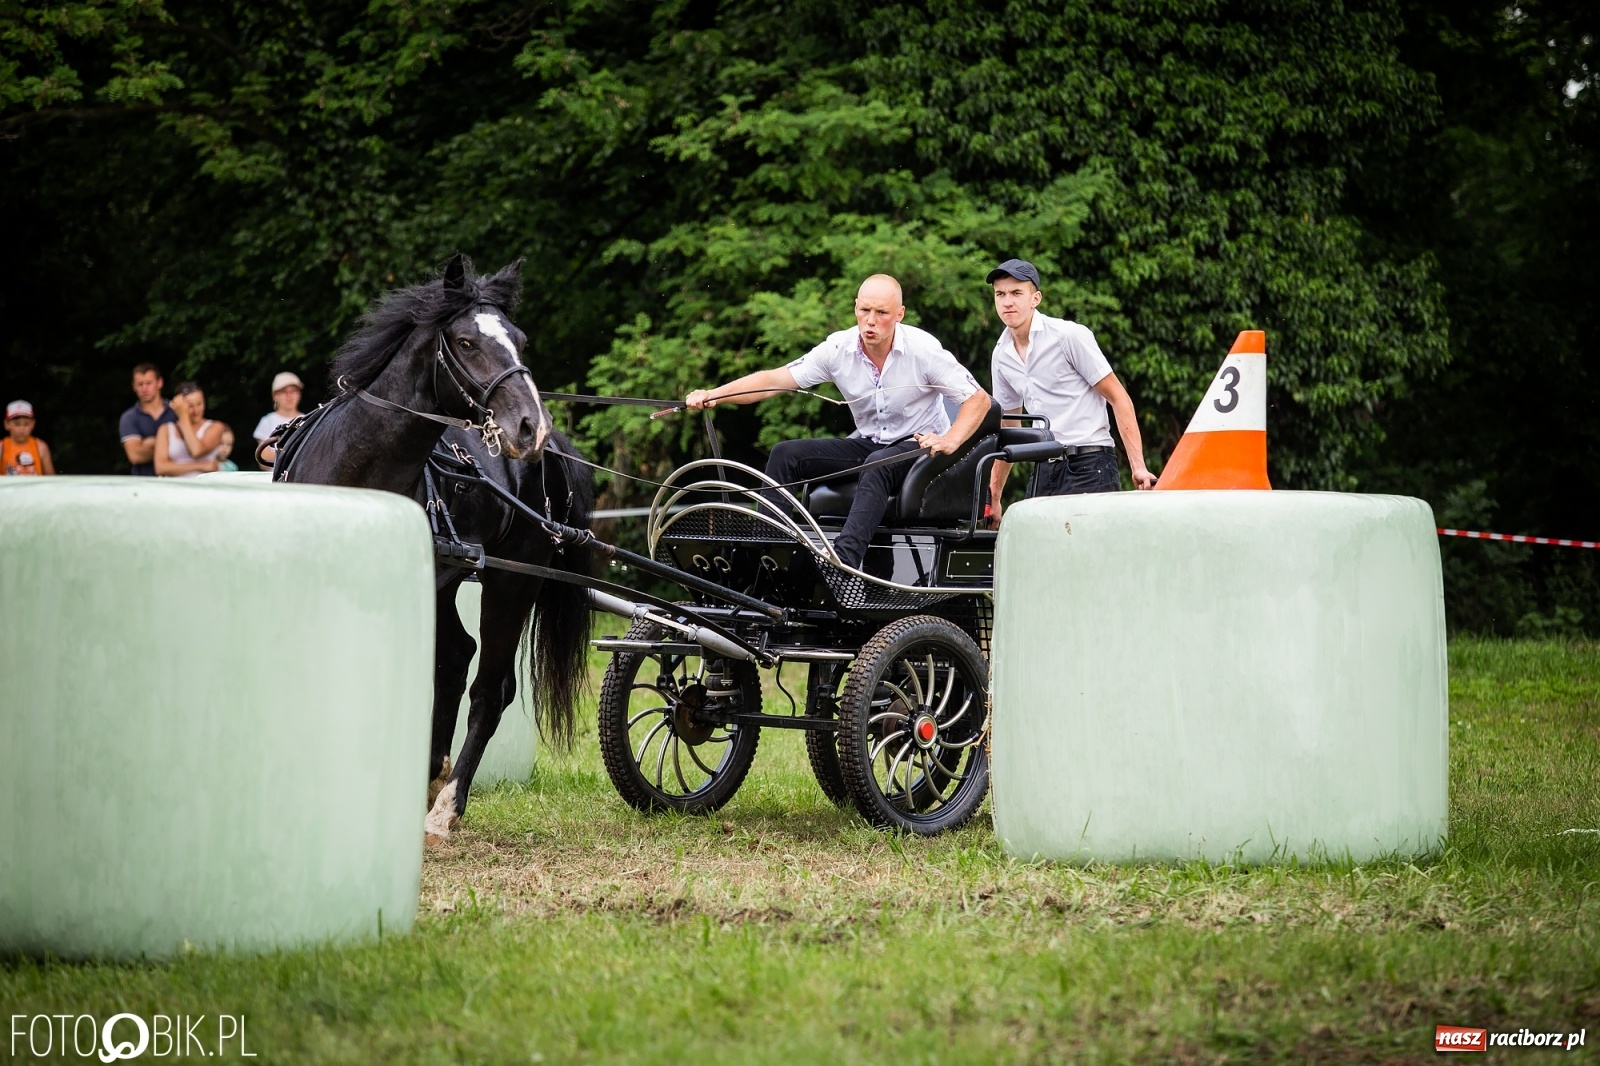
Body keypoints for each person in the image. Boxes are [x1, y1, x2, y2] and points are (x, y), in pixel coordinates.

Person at [685, 274, 991, 568]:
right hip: (870, 443)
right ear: (855, 307)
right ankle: (768, 556)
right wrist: (716, 394)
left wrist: (950, 440)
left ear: (899, 314)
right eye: (864, 310)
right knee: (786, 454)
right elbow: (774, 379)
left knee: (877, 464)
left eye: (881, 313)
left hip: (920, 449)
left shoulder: (923, 351)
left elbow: (979, 399)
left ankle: (843, 563)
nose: (870, 321)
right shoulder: (837, 349)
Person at [984, 259, 1155, 526]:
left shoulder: (1068, 336)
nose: (1007, 302)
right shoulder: (1001, 354)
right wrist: (994, 493)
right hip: (1044, 466)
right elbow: (1009, 426)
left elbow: (1118, 397)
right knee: (1037, 552)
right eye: (1000, 294)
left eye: (1017, 293)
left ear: (1035, 298)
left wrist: (1138, 466)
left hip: (1090, 462)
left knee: (1090, 558)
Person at [154, 382, 226, 478]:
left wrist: (183, 418)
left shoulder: (216, 427)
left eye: (199, 404)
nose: (196, 411)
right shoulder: (165, 430)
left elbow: (196, 451)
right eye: (190, 406)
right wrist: (201, 466)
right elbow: (160, 468)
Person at [119, 363, 179, 476]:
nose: (144, 388)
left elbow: (191, 447)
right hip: (143, 484)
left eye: (148, 383)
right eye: (140, 384)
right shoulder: (129, 418)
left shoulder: (176, 411)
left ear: (159, 382)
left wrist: (150, 443)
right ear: (134, 386)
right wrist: (170, 445)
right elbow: (135, 456)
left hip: (177, 482)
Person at [252, 371, 303, 467]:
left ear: (299, 394)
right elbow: (263, 463)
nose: (289, 396)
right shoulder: (267, 421)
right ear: (275, 396)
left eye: (293, 391)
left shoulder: (307, 419)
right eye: (284, 391)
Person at [3, 400, 56, 476]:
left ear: (33, 423)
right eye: (17, 424)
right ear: (7, 424)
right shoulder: (2, 447)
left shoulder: (40, 447)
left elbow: (52, 480)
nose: (21, 429)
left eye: (26, 424)